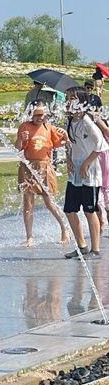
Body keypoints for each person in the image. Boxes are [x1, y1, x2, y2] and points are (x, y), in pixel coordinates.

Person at [15, 102, 69, 248]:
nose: (40, 118)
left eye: (42, 115)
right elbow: (18, 147)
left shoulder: (49, 128)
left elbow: (60, 143)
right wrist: (21, 138)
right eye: (37, 115)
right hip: (28, 167)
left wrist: (65, 135)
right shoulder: (25, 127)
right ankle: (29, 237)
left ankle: (64, 229)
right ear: (31, 114)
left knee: (49, 202)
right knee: (28, 203)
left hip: (45, 167)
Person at [63, 89, 106, 259]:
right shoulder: (70, 121)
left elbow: (101, 146)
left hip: (90, 173)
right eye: (67, 99)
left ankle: (95, 249)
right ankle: (81, 246)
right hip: (75, 173)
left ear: (82, 102)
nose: (68, 103)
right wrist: (69, 159)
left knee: (89, 210)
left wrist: (86, 164)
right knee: (69, 210)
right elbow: (72, 144)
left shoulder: (87, 122)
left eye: (72, 99)